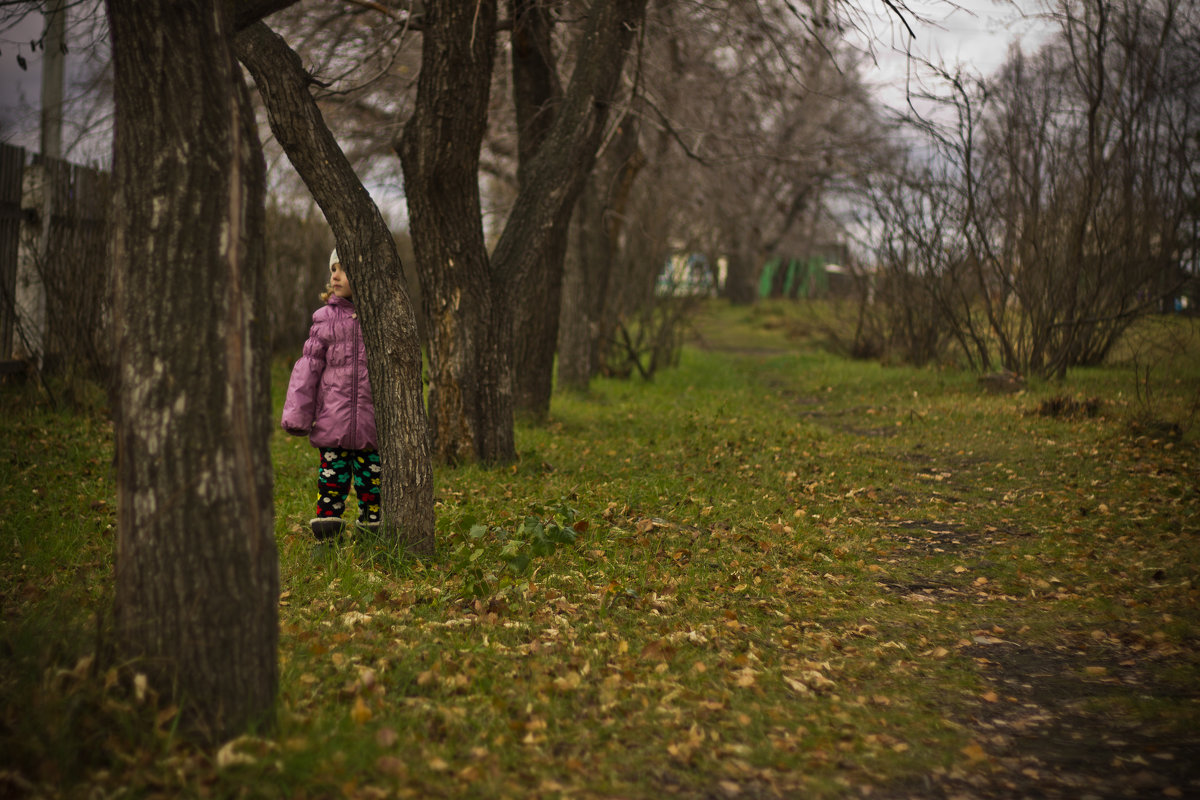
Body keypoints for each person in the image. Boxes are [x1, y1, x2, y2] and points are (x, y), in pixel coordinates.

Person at [281, 248, 382, 547]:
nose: (334, 275)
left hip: (370, 429)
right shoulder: (323, 319)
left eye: (342, 269)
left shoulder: (378, 318)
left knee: (371, 489)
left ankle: (371, 543)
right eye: (332, 269)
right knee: (330, 487)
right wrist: (297, 416)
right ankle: (326, 544)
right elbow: (308, 370)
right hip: (332, 425)